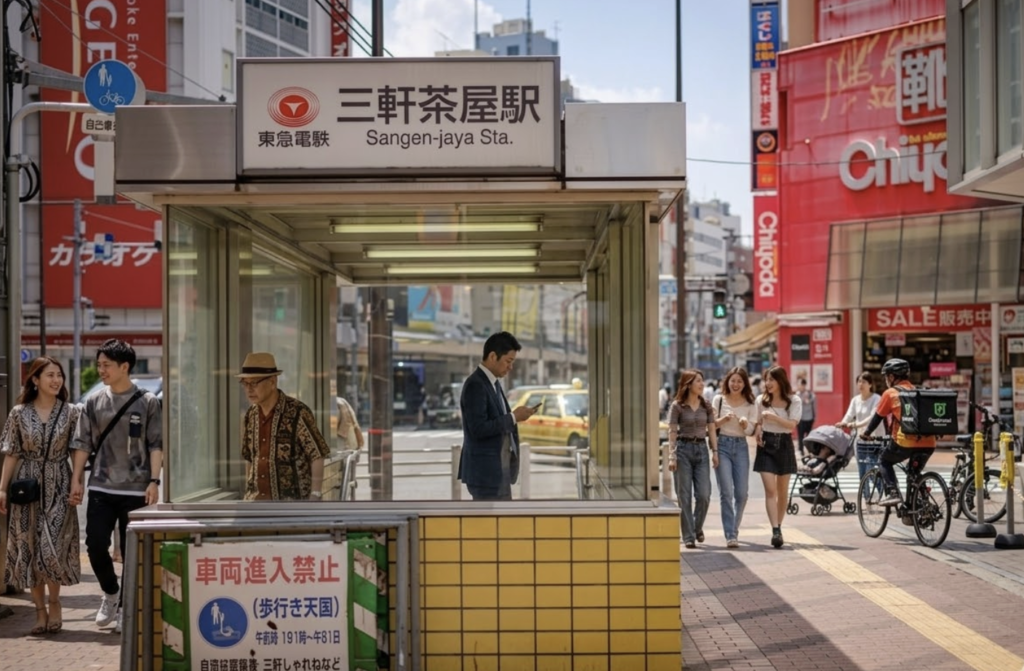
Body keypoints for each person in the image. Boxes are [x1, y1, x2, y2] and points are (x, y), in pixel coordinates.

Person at [70, 339, 162, 634]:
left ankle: (125, 607)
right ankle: (111, 593)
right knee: (95, 545)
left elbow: (156, 444)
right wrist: (77, 479)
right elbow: (82, 443)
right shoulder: (94, 402)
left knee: (132, 552)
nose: (101, 370)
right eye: (99, 365)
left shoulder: (148, 401)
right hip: (102, 486)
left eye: (106, 365)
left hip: (136, 489)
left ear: (125, 366)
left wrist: (154, 481)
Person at [0, 357, 82, 635]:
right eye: (50, 375)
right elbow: (12, 452)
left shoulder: (71, 412)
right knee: (29, 547)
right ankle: (39, 612)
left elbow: (77, 450)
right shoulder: (18, 413)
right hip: (28, 487)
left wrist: (76, 481)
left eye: (59, 375)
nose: (56, 380)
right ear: (35, 380)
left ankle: (55, 603)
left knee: (52, 547)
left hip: (59, 483)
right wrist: (2, 488)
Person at [238, 352, 330, 502]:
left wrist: (315, 494)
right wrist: (248, 494)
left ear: (272, 382)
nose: (249, 389)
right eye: (245, 383)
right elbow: (249, 457)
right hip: (256, 504)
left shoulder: (297, 412)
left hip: (291, 505)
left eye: (254, 383)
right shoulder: (251, 415)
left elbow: (317, 454)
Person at [457, 331, 537, 501]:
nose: (510, 367)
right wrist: (513, 417)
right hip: (485, 474)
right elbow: (479, 428)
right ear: (493, 356)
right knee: (490, 518)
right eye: (508, 361)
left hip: (498, 470)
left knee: (503, 516)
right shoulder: (476, 385)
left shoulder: (493, 382)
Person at [860, 358, 936, 505]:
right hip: (929, 443)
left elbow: (877, 417)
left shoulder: (890, 393)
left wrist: (866, 433)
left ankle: (893, 492)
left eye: (886, 376)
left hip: (906, 442)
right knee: (913, 473)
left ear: (891, 377)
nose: (885, 380)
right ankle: (923, 505)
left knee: (884, 460)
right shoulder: (918, 391)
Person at [667, 369, 719, 549]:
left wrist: (715, 452)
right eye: (698, 380)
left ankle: (696, 527)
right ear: (688, 384)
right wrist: (672, 456)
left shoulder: (706, 405)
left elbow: (711, 429)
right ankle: (689, 536)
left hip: (702, 450)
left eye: (702, 380)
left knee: (704, 495)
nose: (702, 384)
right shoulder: (677, 406)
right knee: (684, 496)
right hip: (683, 450)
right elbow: (672, 432)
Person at [754, 365, 802, 549]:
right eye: (766, 379)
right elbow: (758, 421)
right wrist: (758, 430)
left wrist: (774, 418)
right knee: (770, 490)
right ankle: (775, 530)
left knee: (782, 492)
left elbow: (791, 425)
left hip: (784, 444)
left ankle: (779, 526)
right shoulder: (761, 400)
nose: (768, 383)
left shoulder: (794, 400)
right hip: (766, 445)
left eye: (771, 379)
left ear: (781, 381)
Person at [710, 367, 757, 548]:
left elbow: (751, 431)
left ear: (745, 384)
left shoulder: (751, 403)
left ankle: (733, 528)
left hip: (741, 447)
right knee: (726, 493)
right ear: (727, 382)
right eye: (733, 381)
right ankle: (730, 534)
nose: (736, 384)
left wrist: (745, 424)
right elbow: (711, 425)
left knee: (742, 494)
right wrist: (723, 420)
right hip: (722, 445)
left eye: (739, 381)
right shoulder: (719, 400)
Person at [837, 372, 883, 482]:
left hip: (874, 440)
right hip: (860, 440)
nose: (860, 384)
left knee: (872, 472)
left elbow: (872, 418)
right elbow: (849, 415)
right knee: (862, 472)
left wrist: (855, 425)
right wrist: (842, 423)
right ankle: (864, 493)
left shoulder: (877, 399)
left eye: (864, 382)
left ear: (870, 384)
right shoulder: (855, 400)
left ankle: (881, 490)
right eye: (859, 382)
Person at [796, 378, 816, 455]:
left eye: (800, 384)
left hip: (809, 418)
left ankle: (810, 451)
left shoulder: (810, 394)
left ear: (804, 385)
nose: (798, 386)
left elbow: (814, 406)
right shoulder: (797, 395)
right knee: (800, 436)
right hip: (800, 418)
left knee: (809, 436)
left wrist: (814, 417)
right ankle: (801, 450)